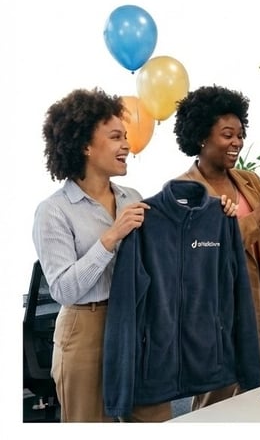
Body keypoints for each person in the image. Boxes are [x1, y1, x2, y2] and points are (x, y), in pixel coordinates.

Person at [31, 88, 172, 422]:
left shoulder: (133, 198)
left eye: (126, 137)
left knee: (157, 418)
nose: (127, 146)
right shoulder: (53, 211)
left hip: (136, 323)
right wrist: (111, 237)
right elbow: (63, 290)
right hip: (85, 330)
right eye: (116, 137)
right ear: (85, 145)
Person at [174, 85, 260, 409]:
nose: (237, 142)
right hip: (219, 327)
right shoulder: (183, 190)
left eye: (240, 135)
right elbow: (207, 251)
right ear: (201, 137)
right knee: (215, 413)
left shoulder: (249, 181)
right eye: (227, 135)